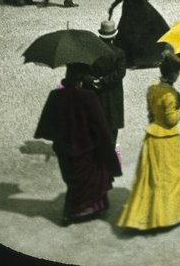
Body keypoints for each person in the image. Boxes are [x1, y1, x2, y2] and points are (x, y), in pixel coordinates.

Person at [34, 62, 123, 225]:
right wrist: (108, 151)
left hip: (64, 149)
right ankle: (74, 212)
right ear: (82, 79)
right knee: (94, 176)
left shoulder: (55, 95)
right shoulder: (88, 97)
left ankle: (73, 212)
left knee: (73, 183)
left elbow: (46, 126)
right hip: (86, 149)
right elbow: (101, 128)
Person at [116, 53, 180, 232]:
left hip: (152, 136)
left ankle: (145, 217)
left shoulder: (152, 89)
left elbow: (152, 114)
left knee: (149, 179)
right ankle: (165, 216)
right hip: (167, 139)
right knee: (169, 178)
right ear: (173, 74)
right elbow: (171, 120)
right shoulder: (170, 94)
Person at [108, 0, 170, 69]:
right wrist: (113, 6)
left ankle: (143, 59)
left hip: (141, 11)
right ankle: (129, 59)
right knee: (126, 34)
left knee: (140, 35)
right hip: (128, 11)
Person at [90, 19, 127, 147]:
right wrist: (105, 81)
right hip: (112, 93)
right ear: (114, 35)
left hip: (95, 92)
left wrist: (93, 80)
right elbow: (120, 73)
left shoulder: (92, 52)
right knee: (112, 122)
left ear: (100, 35)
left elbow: (84, 71)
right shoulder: (118, 53)